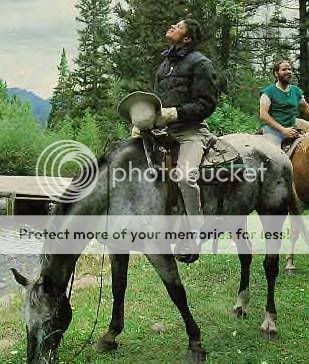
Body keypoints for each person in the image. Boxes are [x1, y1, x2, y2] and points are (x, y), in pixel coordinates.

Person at [133, 19, 218, 263]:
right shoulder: (164, 65)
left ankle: (196, 229)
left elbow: (206, 104)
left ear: (187, 38)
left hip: (191, 132)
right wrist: (143, 120)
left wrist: (174, 113)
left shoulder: (201, 63)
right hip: (162, 132)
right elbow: (156, 102)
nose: (171, 26)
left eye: (178, 26)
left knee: (185, 176)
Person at [260, 59, 309, 146]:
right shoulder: (268, 92)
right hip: (273, 131)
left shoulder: (296, 91)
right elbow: (263, 115)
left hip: (292, 126)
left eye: (289, 69)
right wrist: (283, 130)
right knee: (276, 157)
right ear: (276, 73)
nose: (288, 72)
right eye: (284, 70)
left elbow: (306, 108)